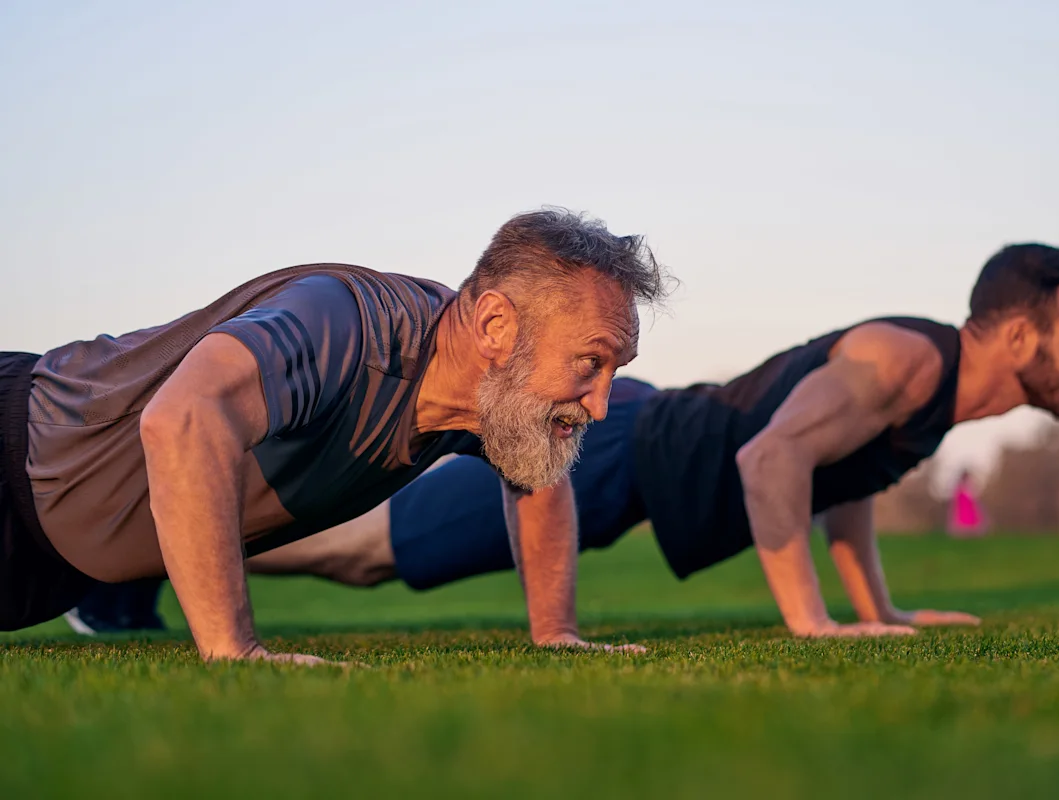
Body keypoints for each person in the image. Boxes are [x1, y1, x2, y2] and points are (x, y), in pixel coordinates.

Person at [69, 242, 1059, 639]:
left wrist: (878, 606)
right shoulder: (908, 362)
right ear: (1018, 332)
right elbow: (772, 458)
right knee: (368, 548)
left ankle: (144, 560)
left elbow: (845, 474)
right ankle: (138, 558)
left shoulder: (923, 397)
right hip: (625, 453)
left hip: (632, 464)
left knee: (370, 551)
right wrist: (812, 625)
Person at [1, 207, 672, 664]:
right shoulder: (347, 325)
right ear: (495, 327)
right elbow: (181, 418)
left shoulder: (480, 402)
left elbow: (539, 480)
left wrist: (555, 633)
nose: (603, 402)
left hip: (53, 569)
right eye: (591, 362)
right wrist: (233, 650)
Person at [947, 469, 988, 537]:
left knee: (970, 521)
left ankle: (970, 534)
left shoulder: (969, 485)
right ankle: (965, 534)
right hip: (963, 507)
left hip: (969, 507)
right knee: (964, 522)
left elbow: (974, 496)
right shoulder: (960, 487)